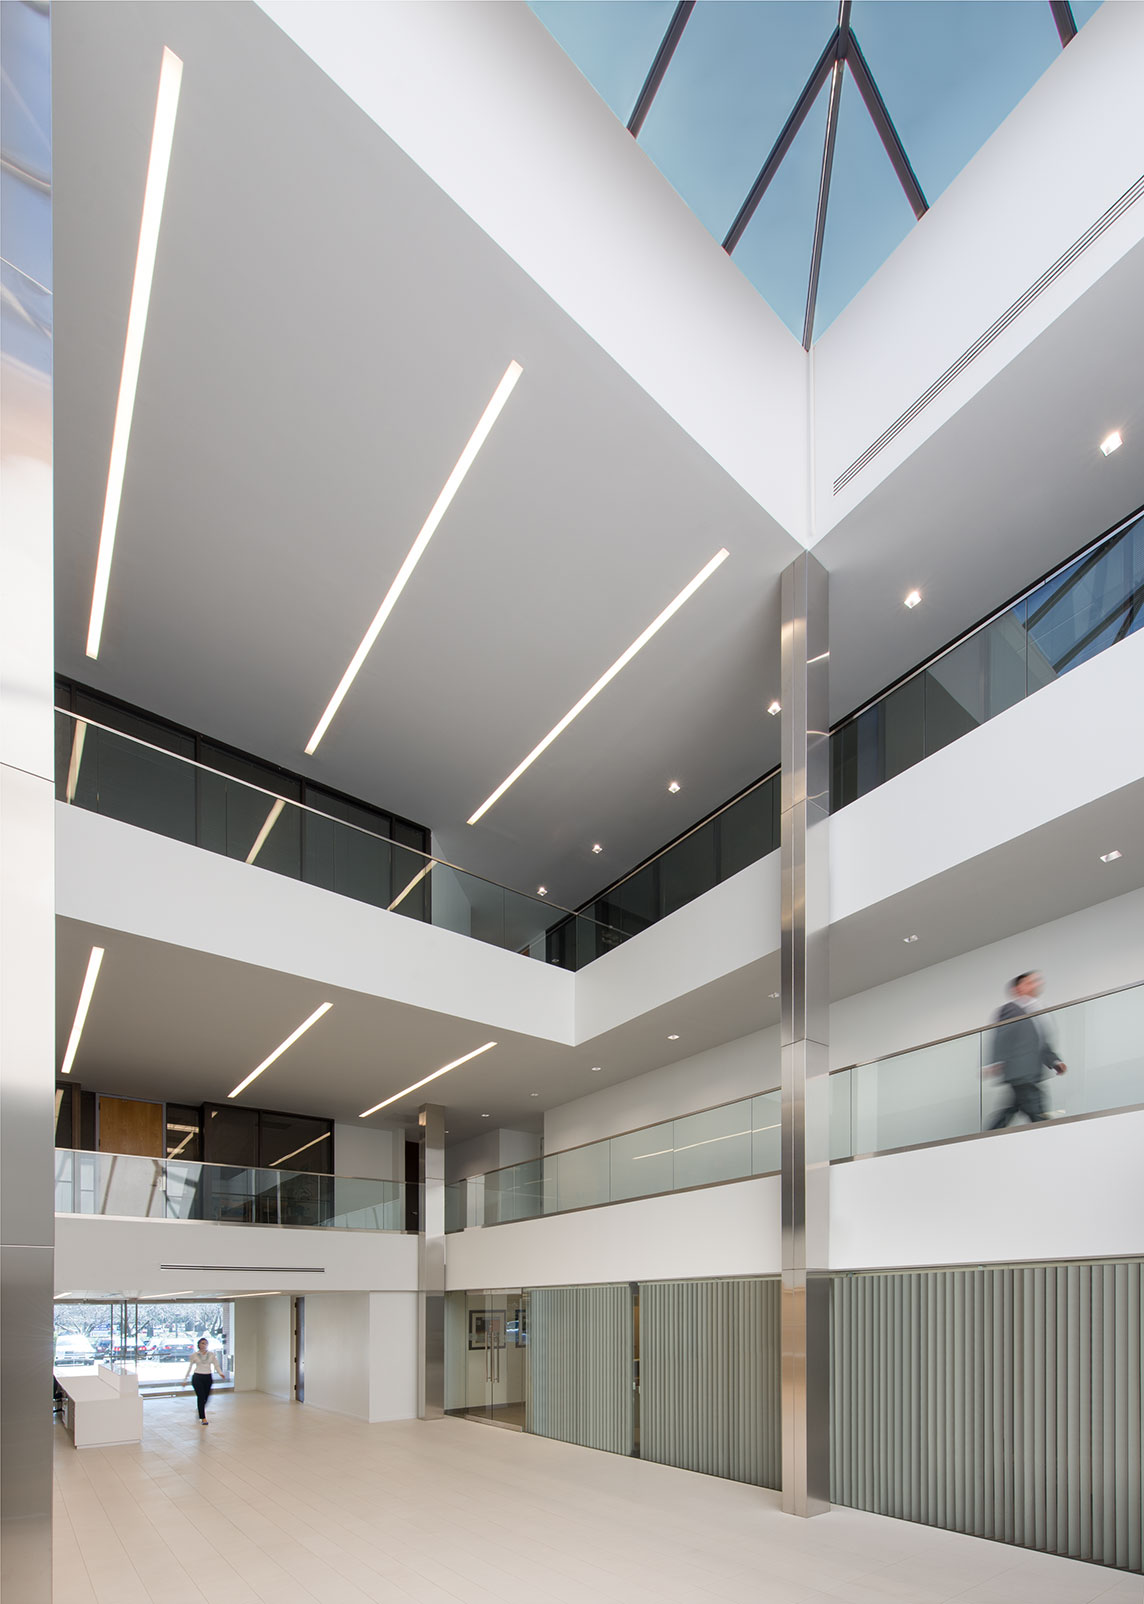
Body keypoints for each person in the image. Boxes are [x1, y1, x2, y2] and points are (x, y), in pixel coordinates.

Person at [985, 971, 1066, 1128]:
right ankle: (1045, 1132)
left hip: (1033, 1071)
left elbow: (1041, 1043)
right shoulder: (1010, 1009)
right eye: (1030, 982)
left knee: (1012, 1107)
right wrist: (995, 1061)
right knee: (1036, 1106)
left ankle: (990, 1134)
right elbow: (1001, 1035)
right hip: (1018, 1069)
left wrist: (1055, 1061)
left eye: (1036, 981)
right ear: (1018, 988)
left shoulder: (1039, 1011)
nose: (1035, 985)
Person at [184, 1337, 225, 1424]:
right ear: (199, 1345)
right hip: (197, 1377)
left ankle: (200, 1409)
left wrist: (220, 1373)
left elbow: (216, 1365)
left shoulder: (211, 1354)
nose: (204, 1345)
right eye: (202, 1343)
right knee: (201, 1397)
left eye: (206, 1343)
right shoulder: (195, 1355)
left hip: (208, 1377)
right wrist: (185, 1379)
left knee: (206, 1398)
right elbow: (190, 1367)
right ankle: (203, 1418)